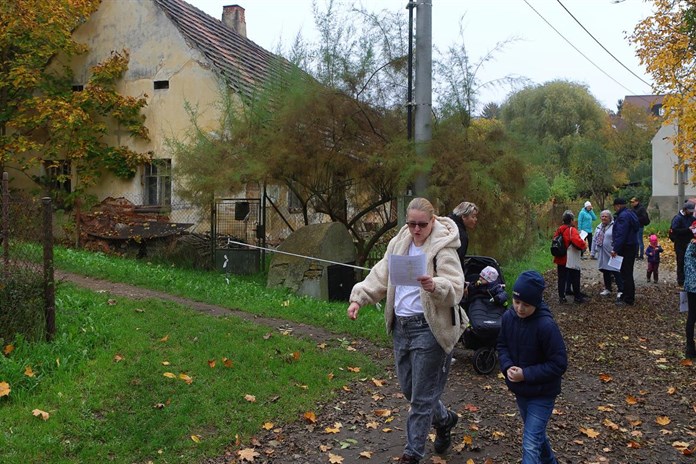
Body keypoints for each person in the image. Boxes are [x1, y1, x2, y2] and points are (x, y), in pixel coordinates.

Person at [347, 197, 465, 464]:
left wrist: (435, 285)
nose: (416, 230)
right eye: (411, 224)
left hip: (429, 328)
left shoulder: (443, 248)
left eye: (421, 224)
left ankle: (412, 454)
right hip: (401, 327)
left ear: (432, 221)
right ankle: (445, 420)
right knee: (411, 391)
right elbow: (381, 274)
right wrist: (359, 298)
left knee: (421, 400)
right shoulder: (399, 242)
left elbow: (456, 286)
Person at [497, 270, 568, 464]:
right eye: (517, 302)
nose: (520, 308)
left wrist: (526, 374)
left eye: (526, 305)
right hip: (521, 391)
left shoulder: (546, 326)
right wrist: (508, 366)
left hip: (543, 393)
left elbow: (559, 363)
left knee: (530, 443)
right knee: (536, 435)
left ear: (536, 303)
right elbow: (502, 346)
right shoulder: (508, 318)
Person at [553, 210, 587, 304]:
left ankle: (561, 297)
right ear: (571, 220)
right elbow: (577, 242)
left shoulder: (559, 229)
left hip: (560, 257)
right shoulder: (572, 230)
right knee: (575, 277)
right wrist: (584, 245)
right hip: (570, 258)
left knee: (561, 278)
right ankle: (577, 297)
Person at [611, 197, 640, 306]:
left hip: (626, 247)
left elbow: (621, 234)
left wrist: (615, 249)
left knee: (626, 273)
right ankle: (627, 295)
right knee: (626, 272)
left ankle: (628, 298)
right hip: (631, 245)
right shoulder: (630, 213)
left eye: (615, 206)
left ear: (618, 205)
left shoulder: (623, 217)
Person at [591, 209, 624, 298]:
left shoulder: (614, 226)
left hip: (612, 252)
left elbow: (618, 238)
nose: (604, 218)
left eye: (606, 216)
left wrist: (616, 249)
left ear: (610, 218)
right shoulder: (599, 227)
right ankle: (608, 289)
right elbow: (594, 239)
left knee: (615, 271)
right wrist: (592, 252)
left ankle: (621, 290)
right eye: (602, 216)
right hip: (602, 253)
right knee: (605, 270)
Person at [670, 201, 695, 287]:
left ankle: (688, 279)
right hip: (680, 243)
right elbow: (675, 230)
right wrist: (688, 229)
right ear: (685, 209)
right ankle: (680, 281)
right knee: (680, 262)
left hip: (690, 243)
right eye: (690, 210)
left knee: (689, 262)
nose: (691, 212)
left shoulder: (692, 218)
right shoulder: (677, 218)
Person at [682, 221, 696, 359]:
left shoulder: (690, 246)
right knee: (692, 316)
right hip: (693, 286)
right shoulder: (693, 246)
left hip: (691, 286)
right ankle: (690, 347)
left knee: (692, 316)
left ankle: (690, 348)